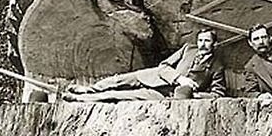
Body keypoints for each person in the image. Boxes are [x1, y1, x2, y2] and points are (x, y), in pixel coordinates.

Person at [68, 30, 227, 101]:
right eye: (200, 40)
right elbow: (164, 65)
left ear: (214, 44)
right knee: (118, 80)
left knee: (120, 96)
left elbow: (218, 94)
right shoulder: (188, 49)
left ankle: (81, 99)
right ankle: (89, 89)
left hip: (166, 94)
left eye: (207, 41)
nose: (202, 44)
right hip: (155, 76)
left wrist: (194, 94)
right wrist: (179, 78)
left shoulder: (217, 66)